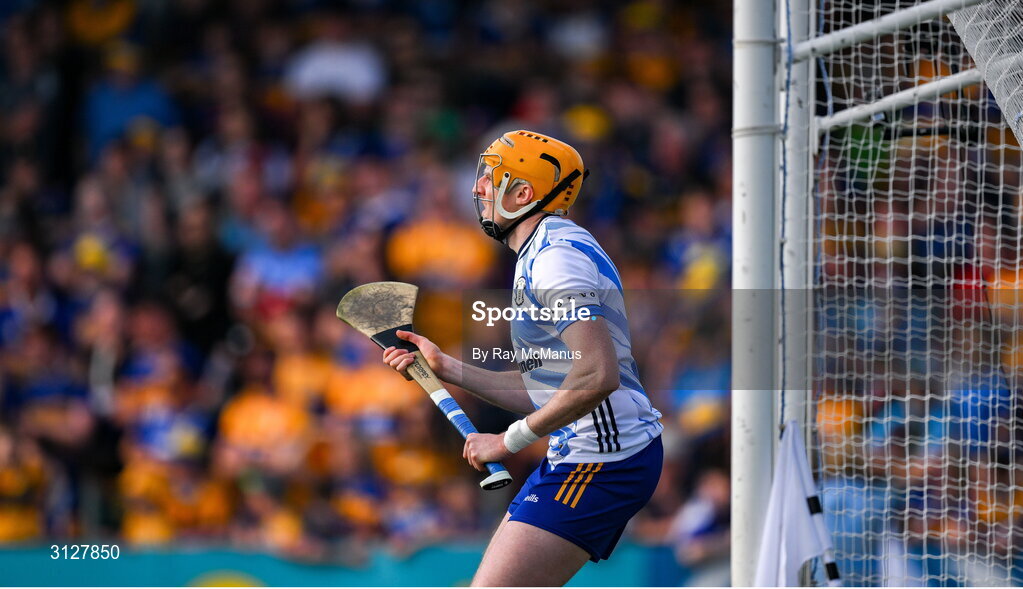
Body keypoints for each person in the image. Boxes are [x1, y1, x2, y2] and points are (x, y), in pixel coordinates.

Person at [383, 130, 664, 586]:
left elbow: (597, 376)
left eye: (490, 179)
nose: (477, 189)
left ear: (523, 194)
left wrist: (507, 441)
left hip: (603, 461)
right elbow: (551, 385)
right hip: (579, 453)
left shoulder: (554, 259)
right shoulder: (543, 249)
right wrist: (448, 368)